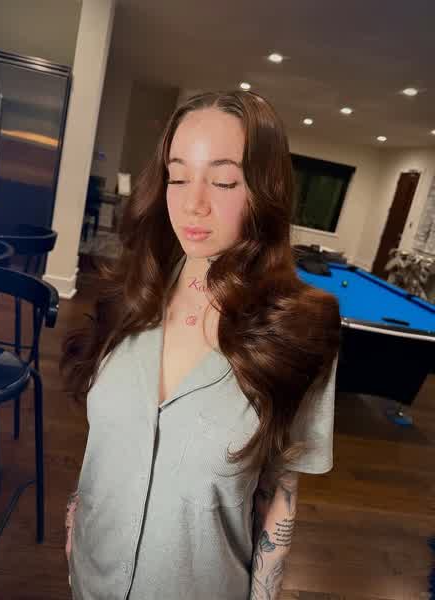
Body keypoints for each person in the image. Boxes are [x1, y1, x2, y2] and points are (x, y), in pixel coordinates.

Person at [60, 90, 341, 600]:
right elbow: (103, 443)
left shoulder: (300, 329)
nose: (193, 203)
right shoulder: (127, 296)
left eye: (224, 180)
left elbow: (280, 493)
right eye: (178, 177)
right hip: (90, 580)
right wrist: (75, 528)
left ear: (265, 190)